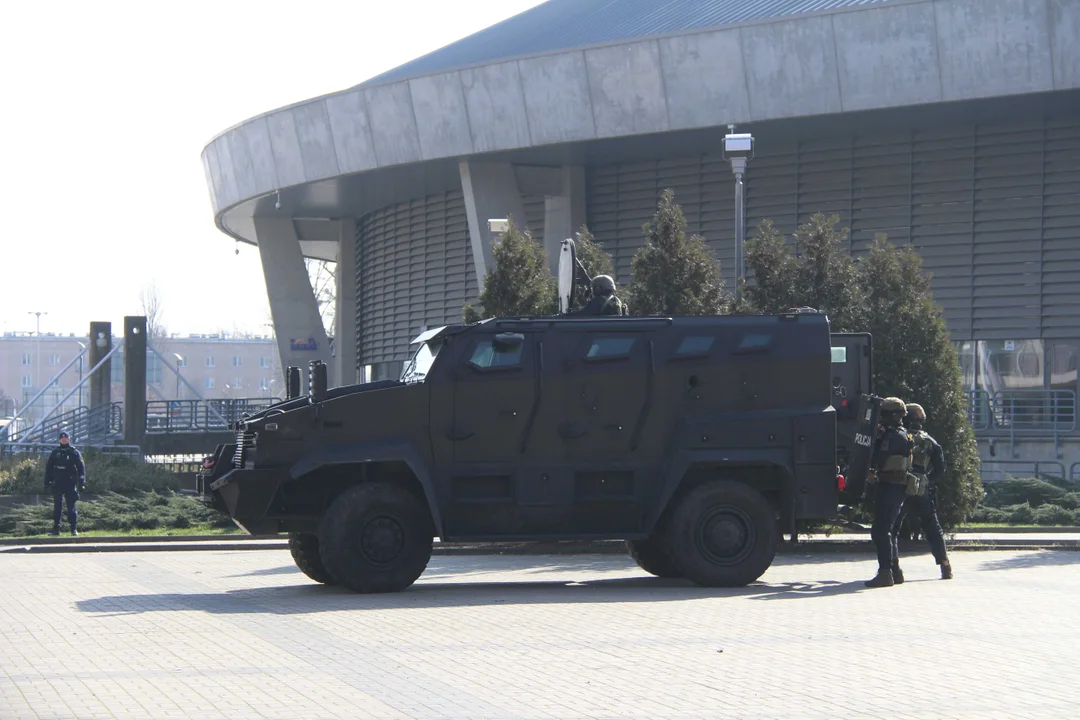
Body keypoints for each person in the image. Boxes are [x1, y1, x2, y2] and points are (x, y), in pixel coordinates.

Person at [892, 403, 952, 581]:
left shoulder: (900, 436)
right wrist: (927, 479)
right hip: (921, 488)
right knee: (933, 527)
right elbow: (941, 468)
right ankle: (945, 564)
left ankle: (894, 568)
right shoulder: (930, 441)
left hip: (900, 486)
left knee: (893, 528)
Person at [865, 397, 913, 588]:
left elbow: (878, 457)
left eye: (884, 415)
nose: (881, 419)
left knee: (881, 530)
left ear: (893, 415)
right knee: (888, 530)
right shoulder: (902, 433)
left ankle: (885, 573)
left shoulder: (893, 436)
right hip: (895, 486)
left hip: (892, 486)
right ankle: (894, 571)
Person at [44, 430, 86, 536]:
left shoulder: (74, 452)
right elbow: (49, 468)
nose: (64, 439)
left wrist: (82, 482)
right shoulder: (55, 452)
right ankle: (56, 529)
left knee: (71, 506)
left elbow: (81, 468)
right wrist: (47, 481)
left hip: (70, 482)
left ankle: (73, 528)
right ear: (59, 440)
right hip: (57, 482)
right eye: (62, 438)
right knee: (57, 507)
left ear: (69, 439)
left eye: (65, 438)